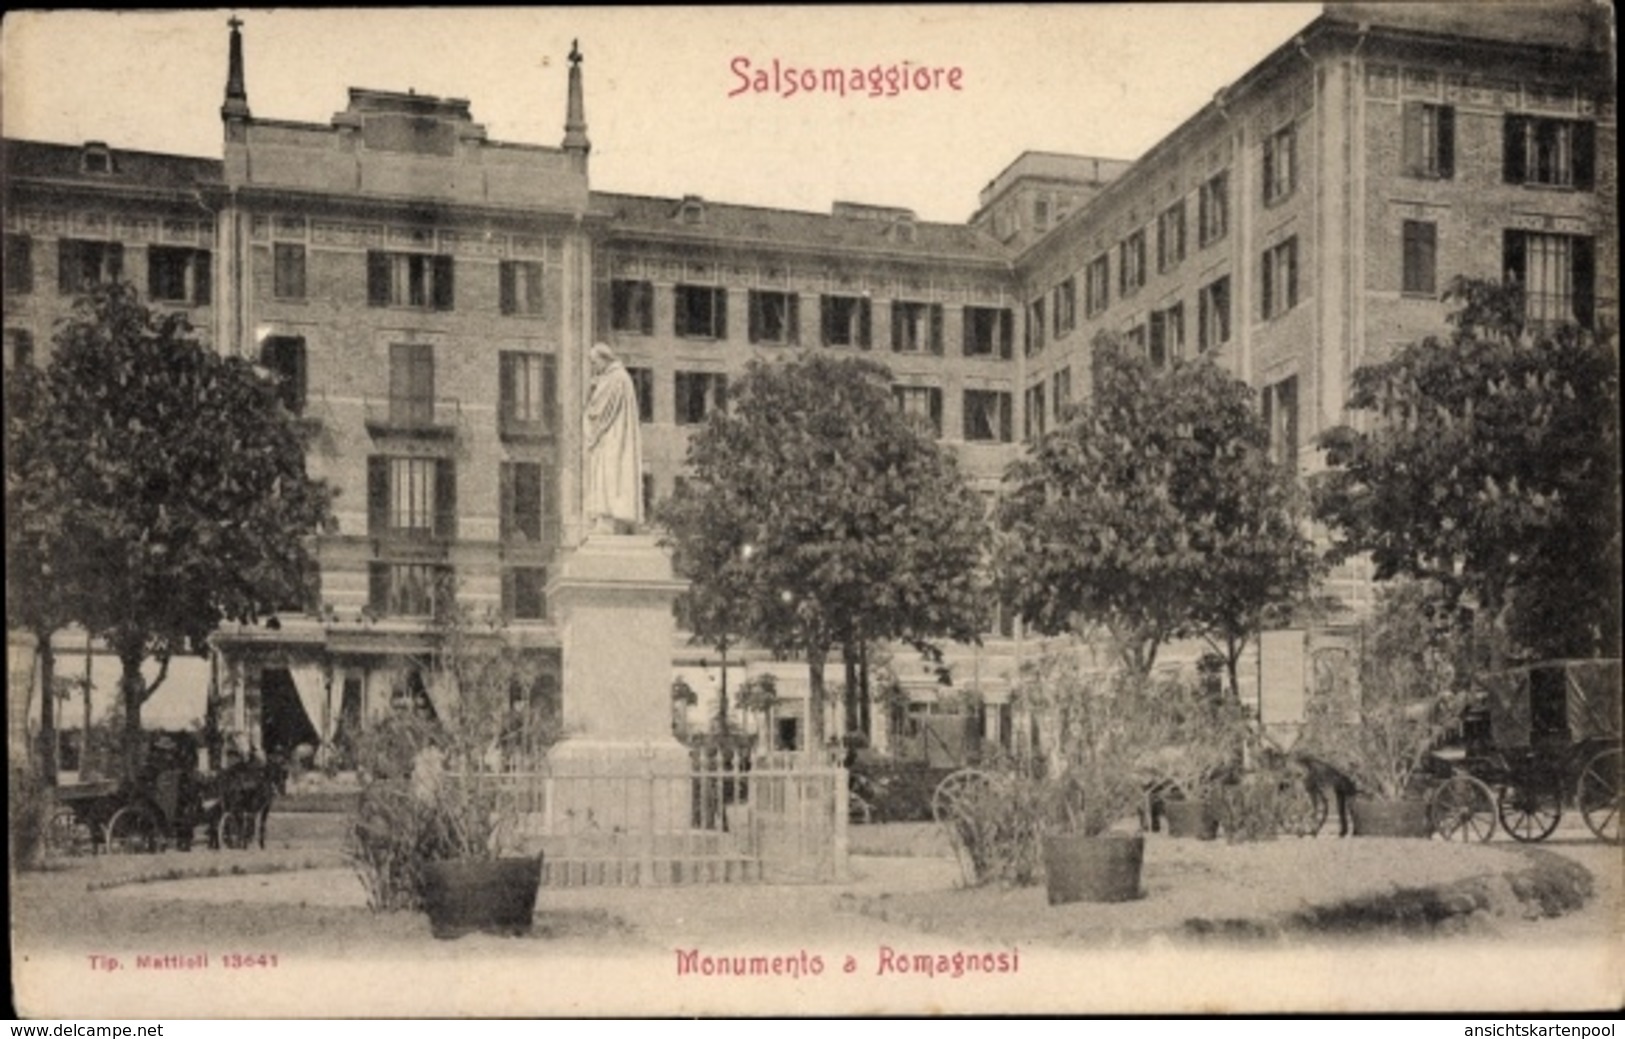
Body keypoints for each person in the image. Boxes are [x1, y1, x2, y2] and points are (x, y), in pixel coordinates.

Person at [584, 342, 643, 534]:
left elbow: (597, 411)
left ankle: (607, 518)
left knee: (608, 475)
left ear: (604, 358)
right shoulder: (621, 377)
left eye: (594, 362)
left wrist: (591, 393)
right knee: (612, 475)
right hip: (616, 436)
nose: (593, 367)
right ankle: (610, 518)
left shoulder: (614, 378)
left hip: (612, 438)